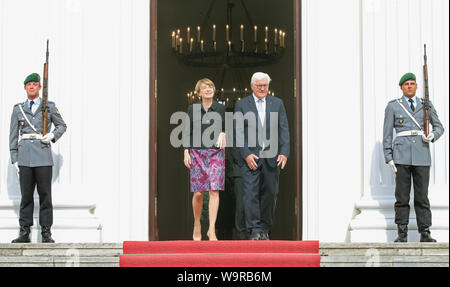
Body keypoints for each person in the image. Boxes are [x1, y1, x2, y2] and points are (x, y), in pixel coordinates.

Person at [383, 72, 444, 242]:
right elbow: (387, 133)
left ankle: (425, 232)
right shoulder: (393, 106)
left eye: (412, 83)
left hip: (422, 155)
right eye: (406, 84)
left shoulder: (426, 105)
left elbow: (439, 127)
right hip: (401, 156)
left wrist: (432, 135)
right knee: (401, 196)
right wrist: (388, 156)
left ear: (417, 86)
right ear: (401, 87)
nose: (409, 86)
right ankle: (402, 234)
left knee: (422, 196)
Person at [9, 73, 67, 243]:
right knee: (26, 196)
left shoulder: (48, 106)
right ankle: (24, 232)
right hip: (25, 156)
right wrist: (14, 158)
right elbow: (13, 135)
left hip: (43, 155)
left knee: (45, 195)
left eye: (35, 84)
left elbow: (62, 125)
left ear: (40, 87)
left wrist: (52, 135)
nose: (32, 87)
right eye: (29, 85)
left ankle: (46, 232)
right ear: (25, 87)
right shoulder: (18, 109)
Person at [234, 72, 290, 240]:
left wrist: (284, 152)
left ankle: (265, 229)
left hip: (272, 156)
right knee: (250, 194)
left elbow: (284, 129)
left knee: (270, 193)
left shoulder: (277, 103)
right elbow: (237, 132)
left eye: (265, 85)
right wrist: (246, 155)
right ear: (252, 86)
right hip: (251, 157)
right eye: (259, 85)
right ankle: (255, 230)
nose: (262, 88)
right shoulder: (242, 104)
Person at [183, 78, 226, 241]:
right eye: (204, 88)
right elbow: (187, 131)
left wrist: (224, 132)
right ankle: (197, 224)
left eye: (211, 87)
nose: (208, 89)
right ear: (199, 92)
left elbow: (228, 126)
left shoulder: (221, 108)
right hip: (196, 153)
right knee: (199, 193)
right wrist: (186, 152)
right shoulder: (192, 109)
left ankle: (211, 229)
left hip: (216, 153)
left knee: (214, 190)